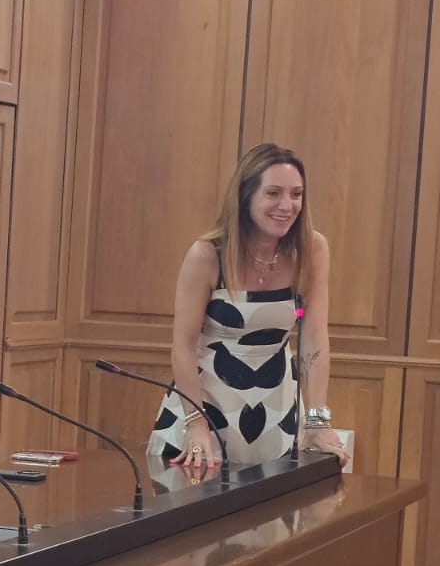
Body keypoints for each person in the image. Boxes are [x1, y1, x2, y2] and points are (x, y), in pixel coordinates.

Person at [147, 143, 348, 473]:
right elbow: (183, 347)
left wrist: (317, 421)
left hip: (276, 407)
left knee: (275, 504)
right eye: (273, 193)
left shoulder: (312, 250)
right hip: (204, 405)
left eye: (296, 194)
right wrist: (196, 423)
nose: (287, 205)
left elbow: (313, 339)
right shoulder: (207, 255)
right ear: (245, 196)